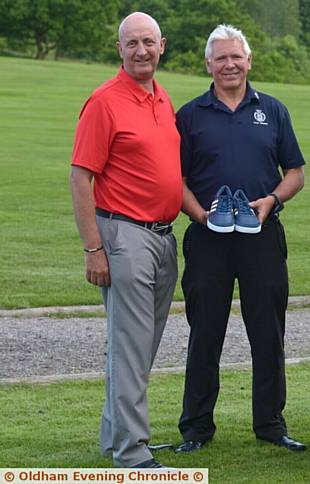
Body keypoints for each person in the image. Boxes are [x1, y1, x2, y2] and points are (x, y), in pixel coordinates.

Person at [173, 24, 306, 454]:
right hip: (208, 238)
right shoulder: (190, 115)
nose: (229, 64)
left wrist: (270, 200)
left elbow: (295, 174)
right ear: (208, 64)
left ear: (248, 61)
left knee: (268, 333)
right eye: (220, 58)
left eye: (236, 57)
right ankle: (196, 427)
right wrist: (199, 215)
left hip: (261, 235)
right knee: (205, 333)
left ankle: (270, 424)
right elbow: (175, 180)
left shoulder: (273, 109)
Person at [69, 12, 182, 468]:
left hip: (162, 237)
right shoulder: (104, 101)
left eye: (148, 42)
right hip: (124, 236)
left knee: (139, 345)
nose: (141, 50)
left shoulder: (160, 96)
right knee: (130, 346)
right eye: (132, 43)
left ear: (162, 45)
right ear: (119, 49)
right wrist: (94, 248)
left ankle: (115, 436)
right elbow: (80, 178)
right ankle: (133, 453)